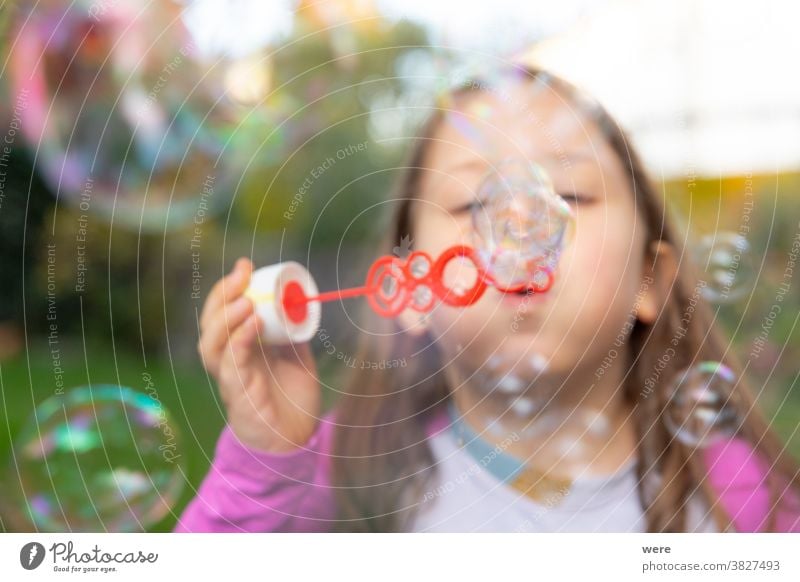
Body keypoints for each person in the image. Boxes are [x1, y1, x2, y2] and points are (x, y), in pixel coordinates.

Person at [175, 65, 800, 532]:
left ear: (649, 282)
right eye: (475, 203)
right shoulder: (342, 481)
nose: (519, 228)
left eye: (569, 195)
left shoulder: (738, 497)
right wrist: (266, 458)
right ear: (411, 290)